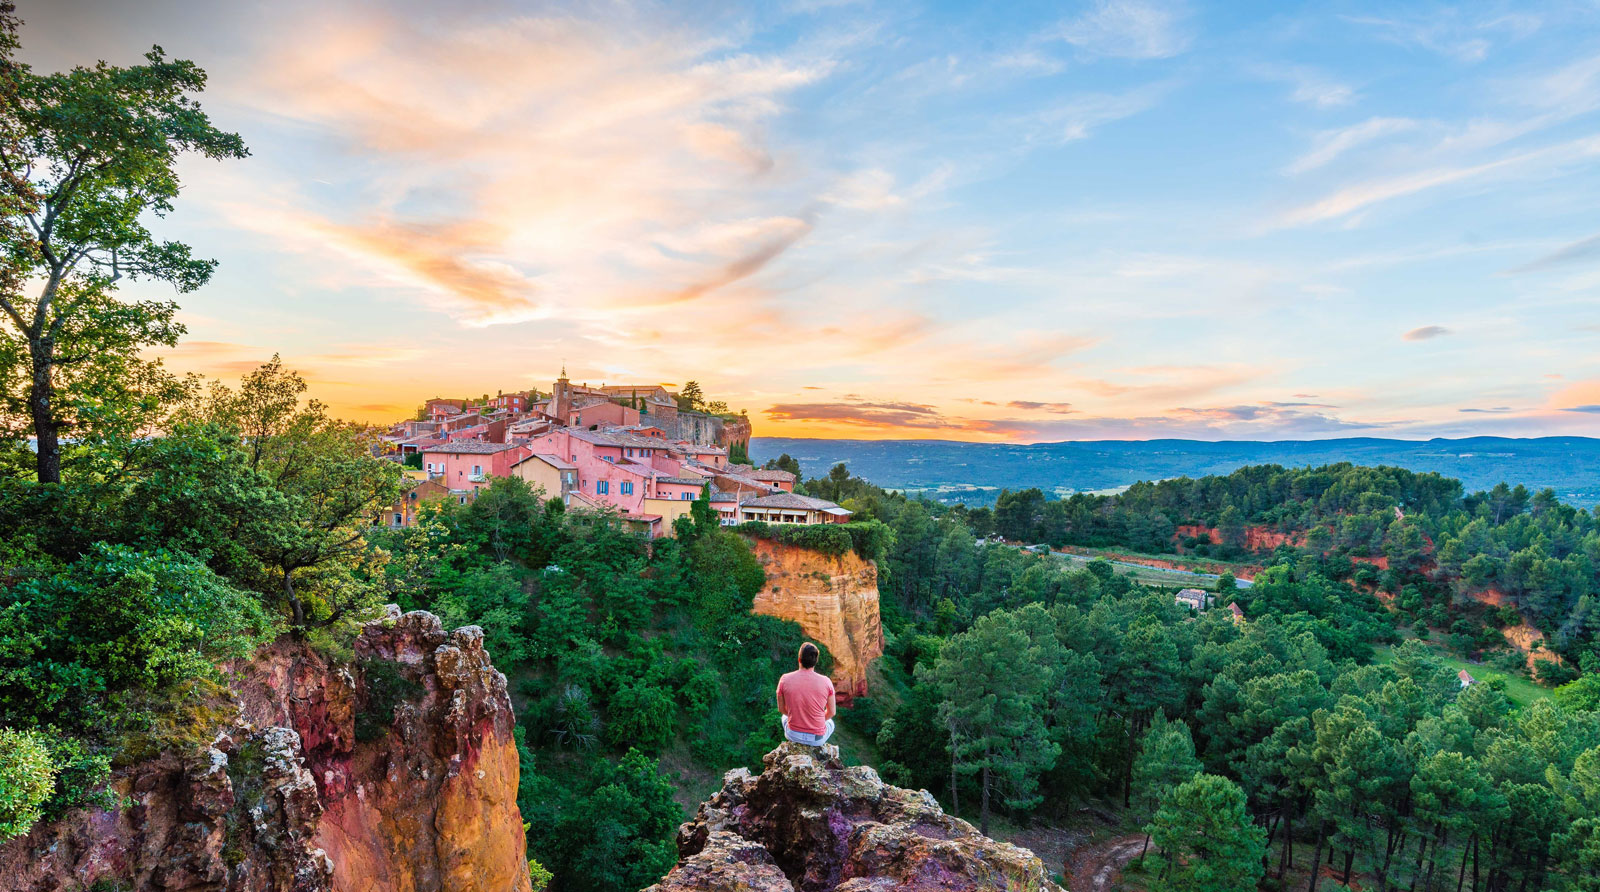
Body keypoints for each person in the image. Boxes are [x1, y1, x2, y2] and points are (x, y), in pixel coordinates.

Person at [776, 642, 835, 746]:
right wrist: (816, 721)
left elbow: (781, 709)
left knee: (784, 717)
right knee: (831, 723)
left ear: (799, 659)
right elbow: (831, 712)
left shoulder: (784, 679)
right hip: (816, 739)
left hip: (793, 735)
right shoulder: (826, 681)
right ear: (815, 661)